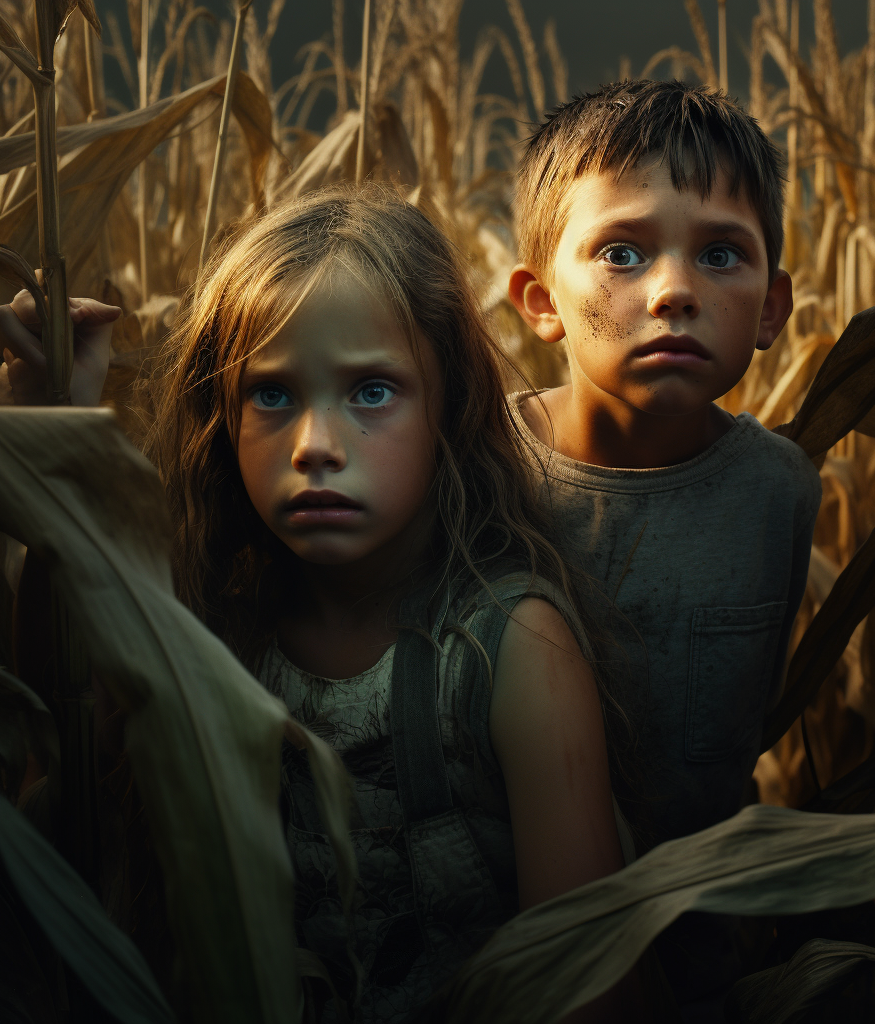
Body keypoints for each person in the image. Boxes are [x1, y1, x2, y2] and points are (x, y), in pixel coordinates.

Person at [0, 187, 633, 1023]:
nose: (315, 447)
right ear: (220, 420)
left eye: (371, 392)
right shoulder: (199, 624)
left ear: (450, 408)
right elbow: (54, 724)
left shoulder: (511, 648)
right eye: (271, 395)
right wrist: (56, 428)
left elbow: (583, 983)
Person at [506, 80, 822, 1012]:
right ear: (540, 301)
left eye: (722, 254)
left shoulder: (780, 493)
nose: (675, 290)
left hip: (705, 950)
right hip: (503, 958)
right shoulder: (479, 471)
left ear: (771, 310)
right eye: (621, 252)